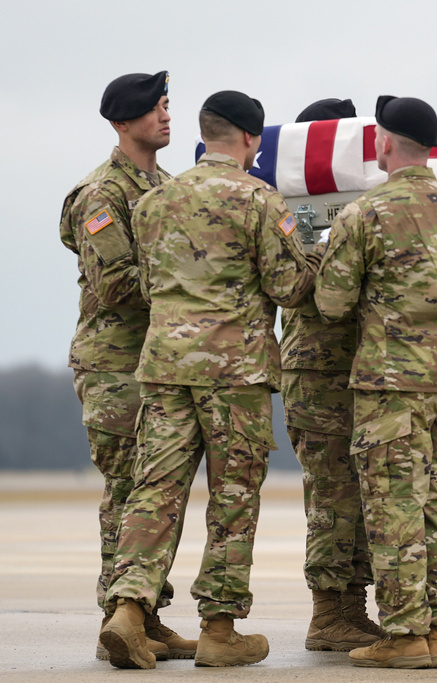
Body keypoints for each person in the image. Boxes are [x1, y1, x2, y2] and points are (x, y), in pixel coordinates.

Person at [99, 90, 324, 669]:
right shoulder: (258, 200)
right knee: (231, 497)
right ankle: (219, 629)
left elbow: (145, 287)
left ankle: (127, 609)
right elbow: (287, 288)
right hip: (235, 372)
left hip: (166, 368)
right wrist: (316, 261)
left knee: (155, 490)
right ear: (251, 139)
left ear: (205, 134)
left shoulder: (153, 202)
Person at [316, 95, 437, 669]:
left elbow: (331, 302)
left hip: (392, 384)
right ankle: (435, 628)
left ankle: (404, 634)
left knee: (395, 505)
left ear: (384, 143)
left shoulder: (365, 214)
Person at [60, 70, 197, 663]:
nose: (166, 116)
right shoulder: (101, 194)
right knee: (128, 491)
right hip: (115, 366)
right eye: (154, 108)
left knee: (155, 491)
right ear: (122, 122)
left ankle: (144, 612)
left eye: (168, 106)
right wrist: (195, 276)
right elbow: (115, 284)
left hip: (155, 362)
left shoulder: (162, 185)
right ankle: (117, 618)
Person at [281, 98, 386, 652]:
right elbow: (304, 290)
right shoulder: (293, 216)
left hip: (356, 370)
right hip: (317, 373)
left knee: (362, 496)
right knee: (331, 497)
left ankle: (352, 607)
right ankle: (328, 613)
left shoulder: (354, 211)